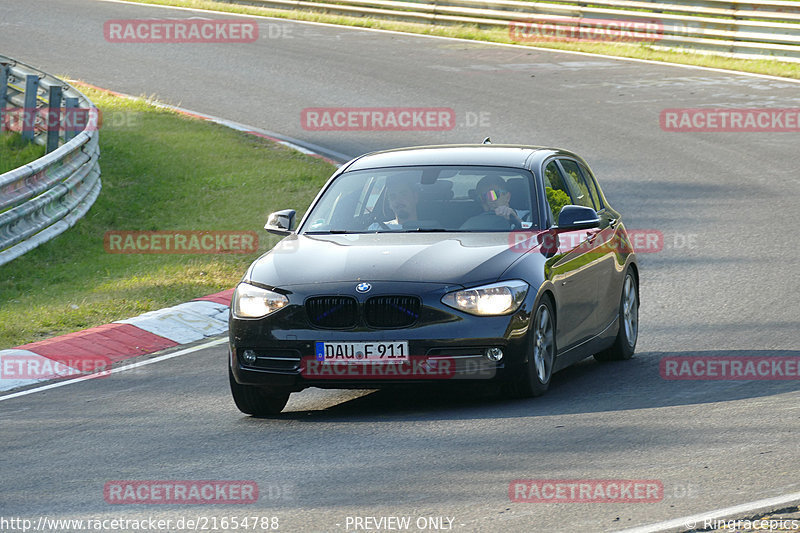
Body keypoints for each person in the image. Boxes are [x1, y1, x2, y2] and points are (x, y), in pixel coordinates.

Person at [461, 175, 526, 230]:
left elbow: (532, 230)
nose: (488, 201)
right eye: (482, 198)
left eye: (492, 195)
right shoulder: (474, 223)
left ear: (507, 197)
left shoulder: (528, 216)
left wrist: (516, 219)